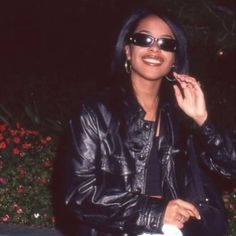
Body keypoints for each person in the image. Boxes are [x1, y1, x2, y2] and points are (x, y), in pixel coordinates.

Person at [61, 7, 236, 236]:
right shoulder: (95, 112)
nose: (154, 48)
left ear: (174, 58)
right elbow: (78, 194)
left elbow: (231, 168)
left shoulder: (182, 116)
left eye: (166, 43)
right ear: (127, 50)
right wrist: (157, 211)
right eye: (143, 39)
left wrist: (203, 121)